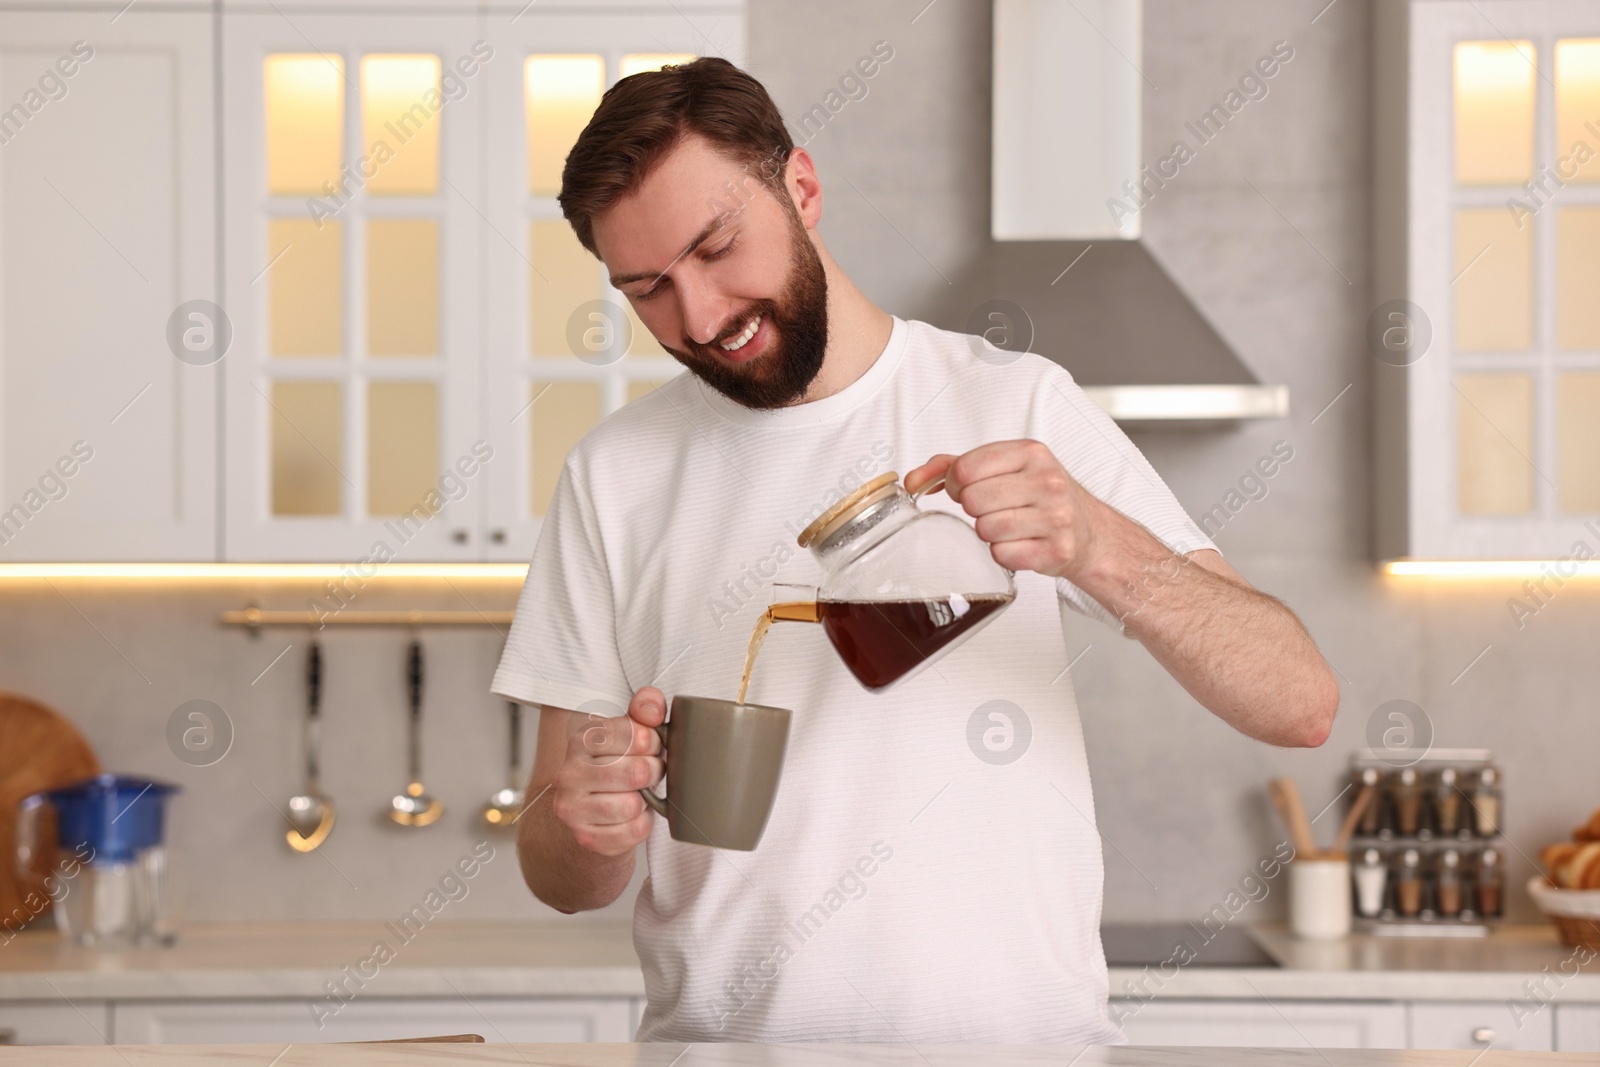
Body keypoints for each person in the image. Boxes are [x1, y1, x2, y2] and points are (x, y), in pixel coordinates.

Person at [491, 57, 1338, 1044]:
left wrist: (1100, 544)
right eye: (649, 289)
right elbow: (558, 866)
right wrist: (584, 822)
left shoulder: (1015, 404)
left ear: (800, 186)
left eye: (717, 247)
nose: (701, 315)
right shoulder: (613, 475)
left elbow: (1299, 702)